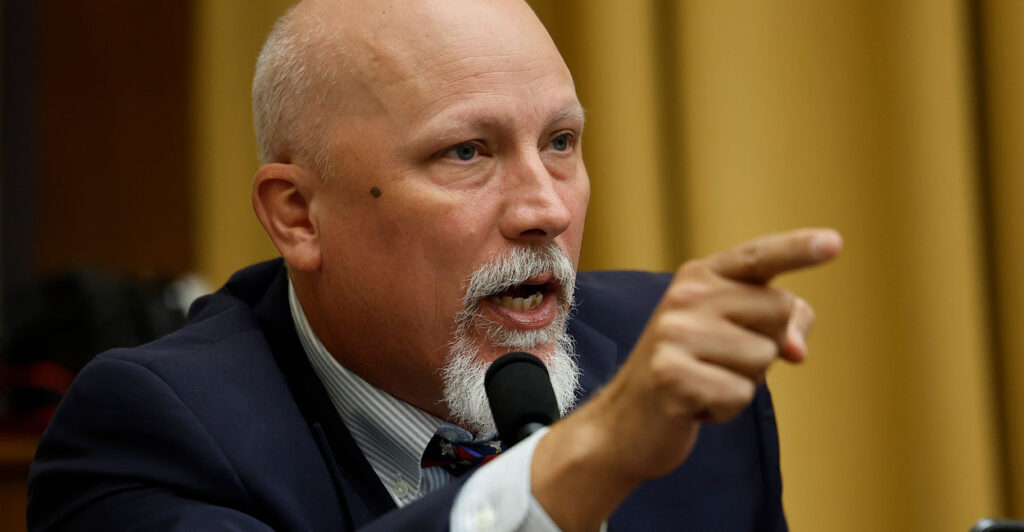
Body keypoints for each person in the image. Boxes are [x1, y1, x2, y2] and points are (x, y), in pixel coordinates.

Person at [27, 0, 842, 530]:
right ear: (299, 216)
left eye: (560, 142)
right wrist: (582, 461)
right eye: (467, 152)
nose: (546, 209)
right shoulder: (151, 430)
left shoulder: (666, 365)